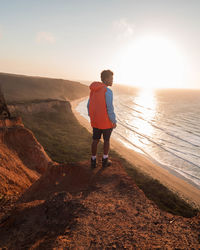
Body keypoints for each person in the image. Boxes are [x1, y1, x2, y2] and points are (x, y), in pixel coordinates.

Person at [87, 69, 117, 168]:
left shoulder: (93, 90)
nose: (112, 80)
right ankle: (104, 160)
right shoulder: (107, 91)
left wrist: (92, 117)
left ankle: (93, 160)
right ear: (106, 79)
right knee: (106, 140)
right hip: (106, 122)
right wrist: (113, 121)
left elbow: (88, 105)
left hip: (96, 121)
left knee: (95, 140)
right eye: (111, 79)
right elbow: (110, 108)